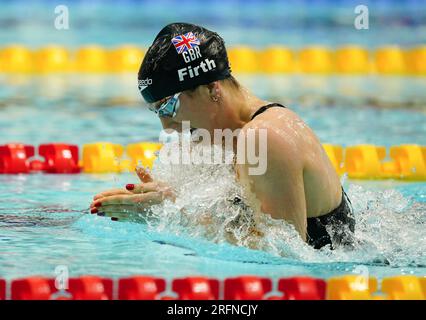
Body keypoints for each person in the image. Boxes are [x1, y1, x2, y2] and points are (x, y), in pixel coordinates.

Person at [90, 22, 355, 250]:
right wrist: (170, 198)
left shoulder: (264, 137)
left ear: (211, 89)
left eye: (170, 106)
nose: (166, 127)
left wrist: (176, 216)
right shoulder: (225, 136)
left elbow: (284, 252)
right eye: (155, 111)